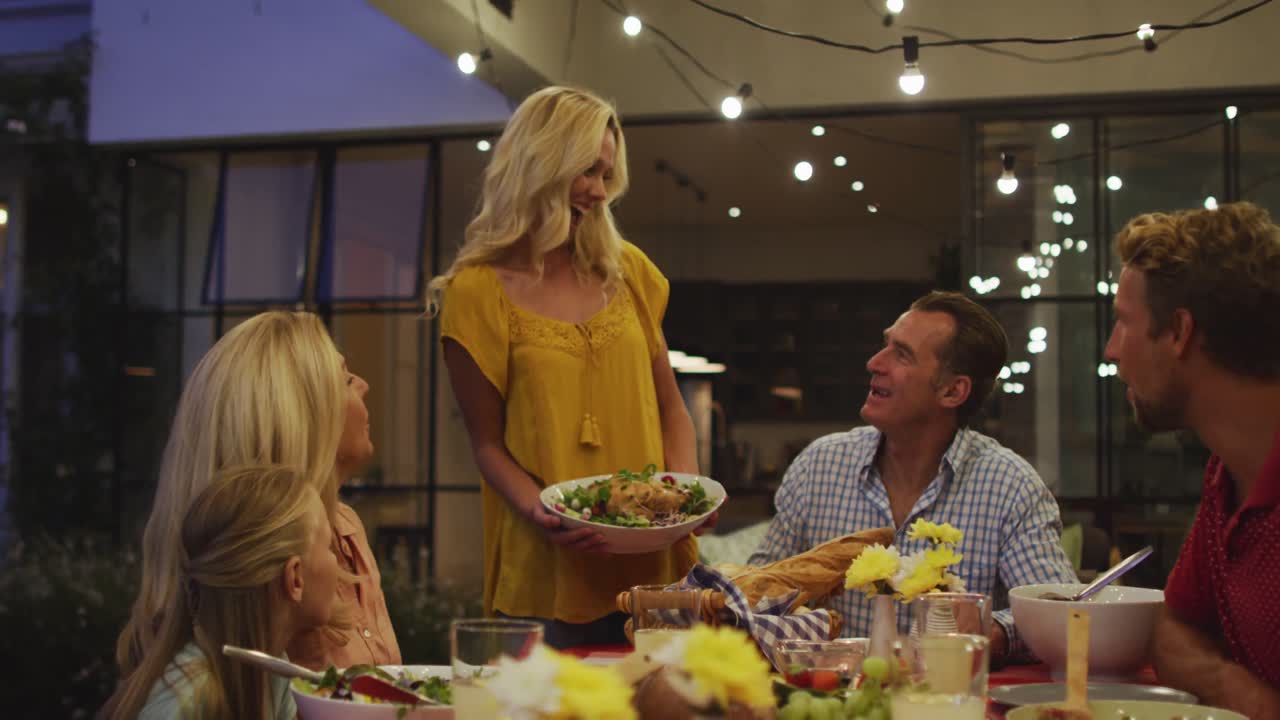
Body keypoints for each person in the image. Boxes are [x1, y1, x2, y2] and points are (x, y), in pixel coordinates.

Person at [429, 86, 710, 649]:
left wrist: (688, 495)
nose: (599, 191)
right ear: (539, 163)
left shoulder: (628, 272)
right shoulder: (476, 292)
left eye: (606, 175)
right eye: (585, 170)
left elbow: (671, 408)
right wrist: (543, 513)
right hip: (544, 575)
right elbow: (487, 445)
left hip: (653, 571)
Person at [749, 291, 1078, 665]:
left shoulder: (1011, 486)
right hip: (833, 696)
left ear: (953, 391)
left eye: (901, 354)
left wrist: (996, 630)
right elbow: (758, 590)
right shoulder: (818, 466)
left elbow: (1061, 612)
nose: (874, 362)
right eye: (884, 345)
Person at [115, 311, 399, 676]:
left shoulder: (346, 527)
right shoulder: (254, 567)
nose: (363, 385)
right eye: (345, 380)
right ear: (302, 419)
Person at [1106, 202, 1280, 719]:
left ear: (1179, 332)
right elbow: (1174, 628)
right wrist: (1239, 691)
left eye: (1122, 322)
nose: (1112, 350)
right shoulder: (1226, 472)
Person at [101, 465, 344, 719]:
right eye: (328, 546)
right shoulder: (187, 700)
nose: (336, 559)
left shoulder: (271, 670)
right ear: (295, 578)